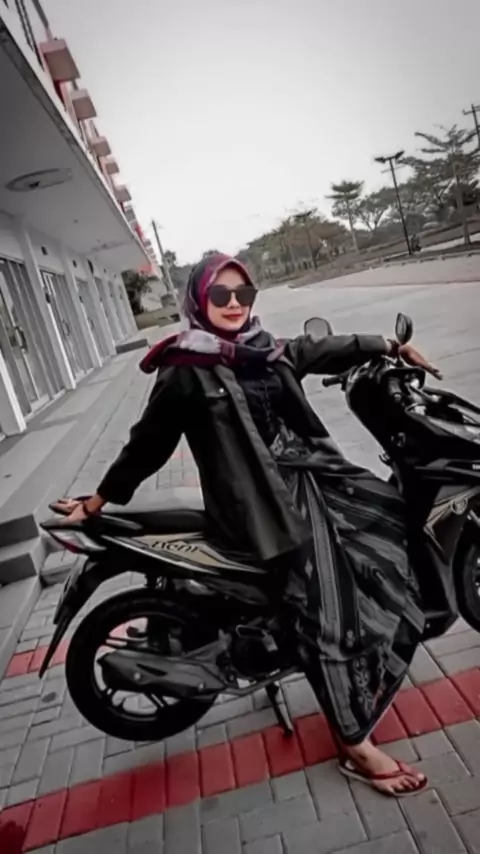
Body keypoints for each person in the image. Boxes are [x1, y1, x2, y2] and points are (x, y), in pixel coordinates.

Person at [57, 253, 441, 797]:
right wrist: (98, 501)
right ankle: (354, 743)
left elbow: (317, 349)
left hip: (311, 480)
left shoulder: (264, 348)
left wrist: (389, 346)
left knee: (392, 526)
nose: (235, 304)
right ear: (200, 300)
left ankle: (357, 655)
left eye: (244, 293)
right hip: (257, 509)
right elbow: (147, 443)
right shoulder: (185, 368)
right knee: (328, 605)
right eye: (221, 295)